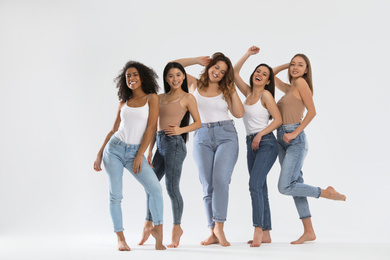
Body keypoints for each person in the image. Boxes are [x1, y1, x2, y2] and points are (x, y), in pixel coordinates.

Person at [273, 54, 346, 244]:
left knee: (285, 186)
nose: (295, 68)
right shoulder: (290, 88)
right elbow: (270, 76)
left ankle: (326, 193)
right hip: (281, 138)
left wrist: (295, 133)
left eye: (300, 65)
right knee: (295, 185)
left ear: (306, 70)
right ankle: (309, 231)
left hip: (294, 140)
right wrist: (285, 65)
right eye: (293, 65)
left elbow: (312, 112)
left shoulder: (301, 83)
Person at [93, 61, 166, 251]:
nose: (131, 79)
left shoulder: (152, 99)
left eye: (134, 75)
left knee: (155, 189)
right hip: (114, 149)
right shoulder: (123, 103)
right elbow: (113, 130)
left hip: (136, 151)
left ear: (143, 77)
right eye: (127, 76)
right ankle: (120, 238)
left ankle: (158, 230)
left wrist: (140, 154)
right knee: (115, 196)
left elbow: (151, 128)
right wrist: (99, 153)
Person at [174, 52, 244, 247]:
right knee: (207, 184)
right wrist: (196, 60)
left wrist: (231, 87)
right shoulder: (194, 84)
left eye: (222, 72)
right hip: (201, 136)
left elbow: (238, 113)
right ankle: (211, 230)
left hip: (226, 135)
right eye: (216, 67)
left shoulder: (226, 89)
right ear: (209, 66)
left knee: (220, 180)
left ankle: (219, 227)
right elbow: (173, 66)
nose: (218, 73)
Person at [138, 62, 201, 248]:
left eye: (179, 75)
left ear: (183, 77)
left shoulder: (188, 97)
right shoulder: (159, 97)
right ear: (166, 78)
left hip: (174, 144)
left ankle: (177, 228)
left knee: (171, 188)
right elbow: (152, 125)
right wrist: (150, 150)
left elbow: (198, 123)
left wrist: (181, 129)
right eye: (171, 76)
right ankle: (148, 225)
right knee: (151, 185)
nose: (175, 79)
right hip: (159, 143)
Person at [234, 46, 282, 247]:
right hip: (250, 143)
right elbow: (234, 73)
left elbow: (278, 119)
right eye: (258, 72)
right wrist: (248, 54)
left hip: (267, 143)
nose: (260, 75)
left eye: (264, 74)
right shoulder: (247, 93)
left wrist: (261, 134)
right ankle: (267, 233)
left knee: (254, 185)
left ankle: (258, 230)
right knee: (260, 187)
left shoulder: (266, 96)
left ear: (268, 81)